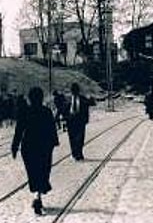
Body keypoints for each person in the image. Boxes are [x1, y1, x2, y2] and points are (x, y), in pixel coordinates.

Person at [11, 86, 59, 215]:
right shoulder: (46, 111)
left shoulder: (24, 111)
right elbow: (52, 130)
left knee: (33, 172)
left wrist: (14, 147)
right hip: (44, 147)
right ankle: (39, 195)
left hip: (29, 147)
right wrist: (54, 143)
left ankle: (37, 195)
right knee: (43, 171)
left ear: (30, 98)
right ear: (41, 98)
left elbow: (19, 131)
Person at [66, 83, 93, 161]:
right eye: (73, 90)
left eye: (75, 90)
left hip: (80, 121)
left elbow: (91, 103)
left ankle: (79, 153)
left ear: (78, 91)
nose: (74, 92)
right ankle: (74, 153)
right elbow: (63, 109)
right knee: (72, 138)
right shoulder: (68, 99)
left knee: (80, 138)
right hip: (70, 121)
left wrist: (91, 99)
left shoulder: (82, 98)